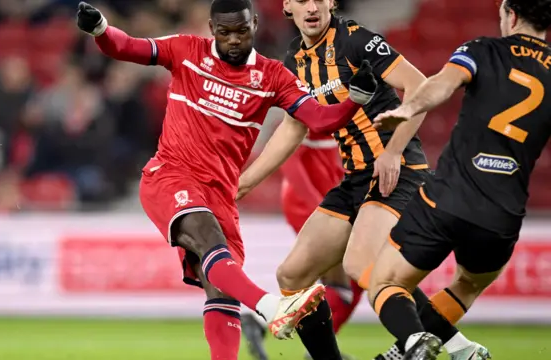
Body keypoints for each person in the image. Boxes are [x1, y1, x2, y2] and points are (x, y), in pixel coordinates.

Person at [76, 0, 379, 359]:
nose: (233, 39)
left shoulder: (273, 77)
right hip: (171, 175)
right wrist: (100, 29)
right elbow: (126, 46)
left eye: (241, 31)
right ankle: (271, 307)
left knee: (223, 293)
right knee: (209, 245)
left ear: (254, 24)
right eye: (224, 32)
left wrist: (354, 101)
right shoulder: (186, 50)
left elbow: (319, 119)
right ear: (211, 28)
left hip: (220, 195)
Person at [236, 1, 484, 359]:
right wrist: (246, 182)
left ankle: (433, 345)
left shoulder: (355, 41)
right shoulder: (295, 60)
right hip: (354, 178)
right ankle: (459, 349)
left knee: (360, 265)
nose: (311, 7)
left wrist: (394, 151)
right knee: (292, 276)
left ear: (331, 3)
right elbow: (294, 126)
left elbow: (419, 86)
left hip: (395, 171)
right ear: (287, 6)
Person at [369, 0, 551, 359]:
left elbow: (442, 84)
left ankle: (413, 342)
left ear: (510, 14)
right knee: (467, 286)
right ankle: (411, 350)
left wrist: (407, 108)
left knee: (386, 282)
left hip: (447, 198)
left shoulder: (482, 49)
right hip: (502, 216)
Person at [240, 124, 362, 360]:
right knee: (342, 284)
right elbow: (291, 161)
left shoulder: (334, 103)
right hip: (312, 200)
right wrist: (319, 206)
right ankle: (309, 347)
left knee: (352, 279)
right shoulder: (312, 102)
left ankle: (271, 327)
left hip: (326, 196)